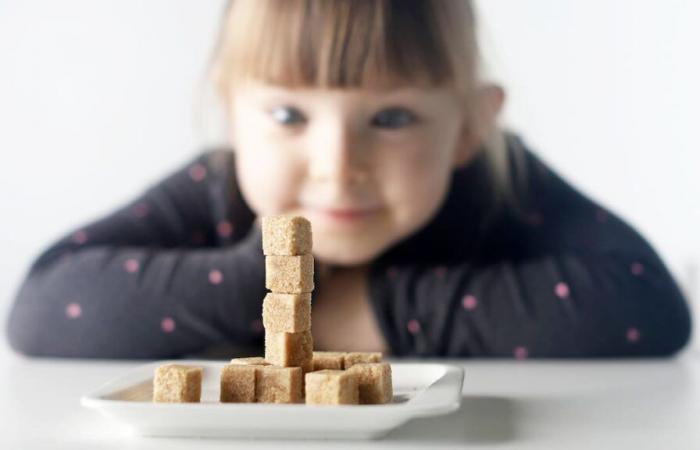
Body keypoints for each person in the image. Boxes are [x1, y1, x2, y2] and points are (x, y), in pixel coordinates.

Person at [5, 0, 691, 359]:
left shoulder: (494, 182)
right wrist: (275, 291)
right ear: (231, 114)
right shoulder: (216, 188)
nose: (336, 163)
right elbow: (45, 309)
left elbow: (647, 307)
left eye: (392, 117)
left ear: (470, 128)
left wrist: (375, 312)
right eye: (286, 114)